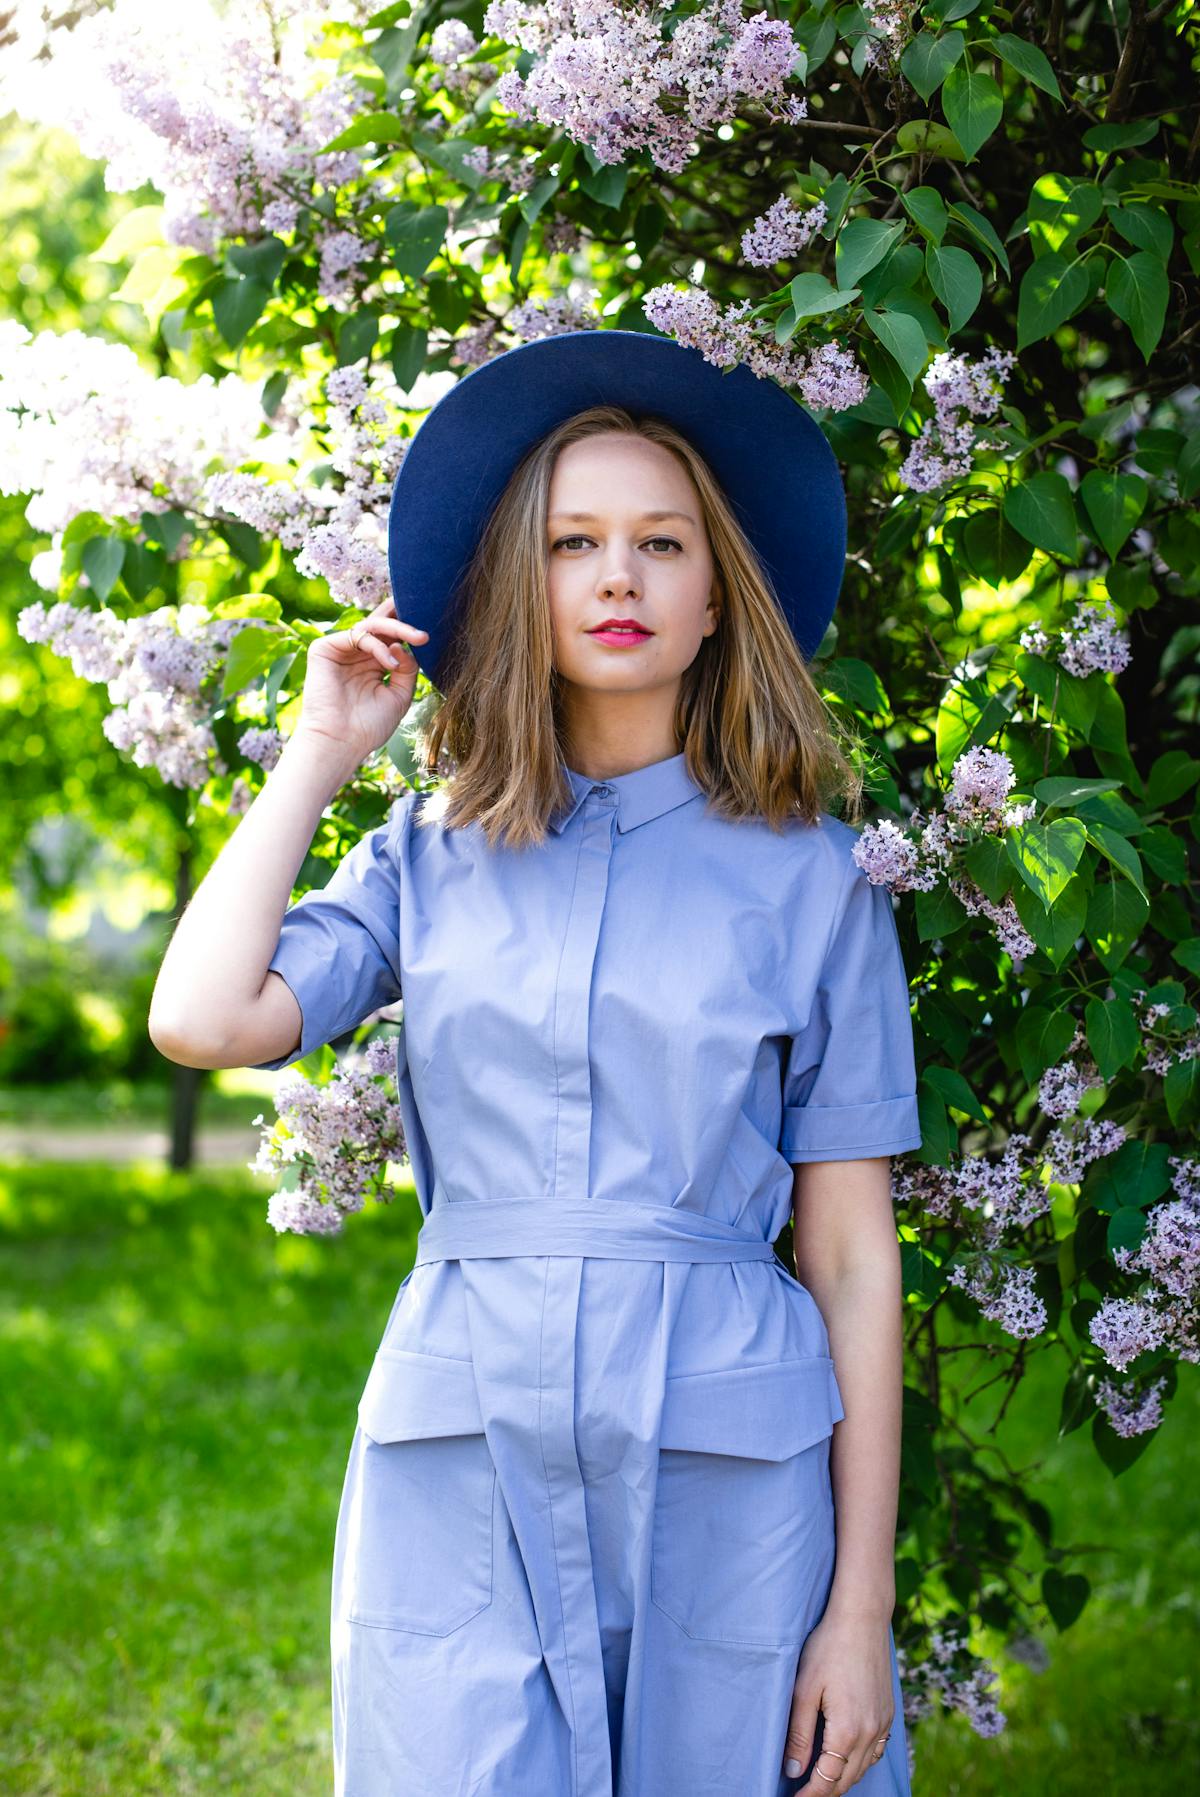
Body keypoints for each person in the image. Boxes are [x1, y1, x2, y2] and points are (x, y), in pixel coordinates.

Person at [150, 329, 922, 1796]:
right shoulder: (423, 858)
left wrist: (859, 1608)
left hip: (730, 1445)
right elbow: (202, 1018)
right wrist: (320, 752)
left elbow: (848, 1252)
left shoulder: (818, 881)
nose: (617, 576)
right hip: (466, 1427)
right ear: (527, 582)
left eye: (659, 543)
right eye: (574, 542)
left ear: (715, 598)